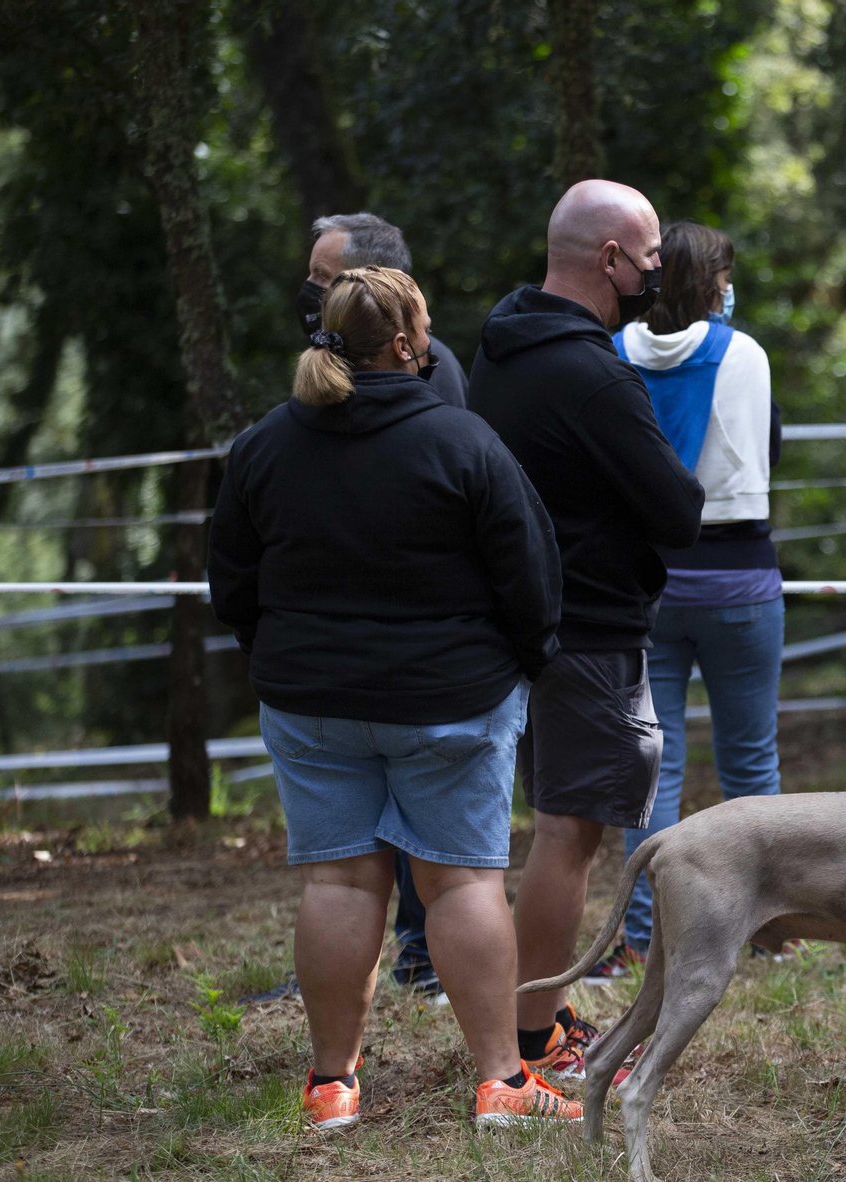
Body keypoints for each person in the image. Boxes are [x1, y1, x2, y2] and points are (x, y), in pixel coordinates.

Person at [209, 266, 576, 1130]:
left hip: (312, 702)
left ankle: (332, 1086)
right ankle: (502, 1085)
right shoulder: (464, 441)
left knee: (338, 882)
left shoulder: (265, 444)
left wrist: (280, 657)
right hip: (451, 699)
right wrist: (526, 661)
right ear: (410, 342)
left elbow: (232, 579)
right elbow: (531, 576)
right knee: (459, 886)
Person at [468, 180, 704, 1080]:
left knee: (547, 827)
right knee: (568, 834)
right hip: (591, 626)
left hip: (521, 621)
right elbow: (676, 507)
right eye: (649, 258)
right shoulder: (595, 373)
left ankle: (544, 1007)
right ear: (609, 260)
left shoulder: (502, 345)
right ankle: (533, 1036)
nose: (657, 273)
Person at [577, 221, 783, 981]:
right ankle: (766, 925)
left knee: (652, 773)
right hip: (741, 577)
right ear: (715, 282)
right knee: (751, 763)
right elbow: (770, 448)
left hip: (651, 579)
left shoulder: (615, 351)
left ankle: (644, 933)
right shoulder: (747, 353)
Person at [295, 211, 471, 996]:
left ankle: (423, 959)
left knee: (437, 856)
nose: (315, 300)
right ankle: (372, 973)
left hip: (415, 661)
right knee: (343, 867)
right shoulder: (301, 405)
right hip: (342, 667)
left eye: (327, 283)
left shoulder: (441, 390)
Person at [297, 212, 470, 408]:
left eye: (322, 274)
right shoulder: (329, 356)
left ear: (369, 281)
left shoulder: (427, 361)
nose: (309, 285)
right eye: (311, 274)